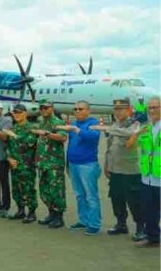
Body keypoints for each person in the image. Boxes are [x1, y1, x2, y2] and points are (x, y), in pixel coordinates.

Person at [96, 99, 145, 241]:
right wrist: (106, 165)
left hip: (130, 171)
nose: (118, 112)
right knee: (117, 199)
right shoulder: (115, 125)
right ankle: (121, 224)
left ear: (129, 110)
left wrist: (108, 129)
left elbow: (129, 136)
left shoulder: (135, 124)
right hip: (115, 169)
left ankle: (141, 228)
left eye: (121, 109)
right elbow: (110, 147)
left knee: (134, 201)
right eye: (116, 109)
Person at [58, 101, 102, 236]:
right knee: (79, 195)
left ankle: (94, 224)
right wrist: (68, 164)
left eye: (81, 109)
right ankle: (84, 220)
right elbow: (71, 145)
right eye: (75, 109)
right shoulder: (74, 123)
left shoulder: (93, 123)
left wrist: (76, 130)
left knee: (91, 196)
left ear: (88, 110)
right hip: (74, 164)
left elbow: (93, 137)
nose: (77, 111)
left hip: (87, 165)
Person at [127, 96, 160, 248]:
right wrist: (136, 133)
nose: (152, 110)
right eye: (150, 108)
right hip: (147, 177)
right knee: (149, 211)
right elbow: (130, 146)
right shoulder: (146, 128)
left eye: (156, 107)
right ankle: (152, 238)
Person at [33, 100, 67, 229]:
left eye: (46, 108)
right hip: (43, 163)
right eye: (41, 108)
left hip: (54, 164)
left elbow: (63, 137)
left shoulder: (57, 122)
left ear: (51, 108)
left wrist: (48, 133)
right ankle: (51, 214)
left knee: (56, 190)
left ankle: (59, 217)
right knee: (45, 190)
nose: (43, 110)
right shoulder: (42, 122)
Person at [5, 104, 38, 223]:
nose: (16, 115)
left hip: (26, 165)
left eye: (19, 112)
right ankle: (20, 210)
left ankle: (32, 212)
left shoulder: (31, 128)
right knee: (16, 189)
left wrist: (15, 136)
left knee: (28, 189)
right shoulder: (13, 128)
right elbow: (7, 146)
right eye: (14, 113)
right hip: (14, 165)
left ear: (25, 113)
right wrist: (9, 158)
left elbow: (28, 144)